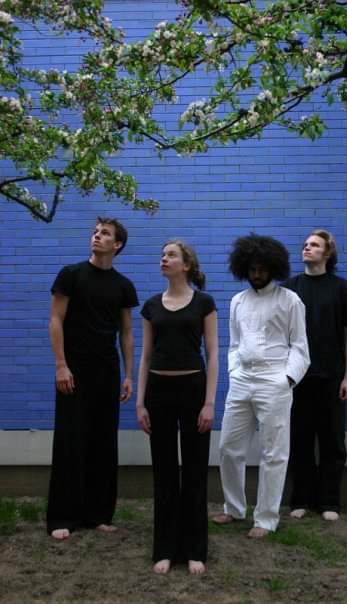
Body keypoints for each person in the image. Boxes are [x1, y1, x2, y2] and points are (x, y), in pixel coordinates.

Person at [47, 217, 139, 540]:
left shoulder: (123, 285)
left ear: (118, 245)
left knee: (102, 442)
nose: (97, 237)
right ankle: (62, 516)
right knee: (71, 440)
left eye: (105, 234)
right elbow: (56, 320)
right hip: (74, 371)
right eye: (95, 232)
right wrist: (61, 364)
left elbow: (127, 332)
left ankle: (98, 514)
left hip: (108, 372)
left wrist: (129, 375)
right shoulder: (71, 275)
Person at [213, 233, 310, 537]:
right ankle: (233, 508)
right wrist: (233, 370)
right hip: (242, 380)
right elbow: (234, 343)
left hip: (275, 381)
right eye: (252, 269)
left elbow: (301, 347)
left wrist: (287, 380)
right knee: (229, 447)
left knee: (274, 452)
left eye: (262, 269)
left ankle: (266, 518)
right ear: (244, 268)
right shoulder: (237, 301)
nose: (257, 274)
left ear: (273, 268)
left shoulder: (290, 300)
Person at [136, 240, 218, 575]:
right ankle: (165, 548)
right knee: (165, 471)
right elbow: (144, 356)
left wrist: (210, 402)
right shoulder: (151, 306)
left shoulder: (204, 303)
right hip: (159, 392)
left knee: (195, 471)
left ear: (186, 265)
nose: (164, 258)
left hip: (194, 389)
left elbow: (213, 354)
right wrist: (140, 402)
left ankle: (195, 548)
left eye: (171, 255)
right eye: (162, 254)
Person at [284, 229, 347, 521]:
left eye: (314, 245)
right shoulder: (289, 289)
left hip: (332, 378)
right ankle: (301, 499)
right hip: (296, 379)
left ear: (327, 253)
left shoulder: (343, 290)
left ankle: (330, 502)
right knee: (299, 440)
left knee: (332, 443)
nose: (307, 248)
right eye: (304, 244)